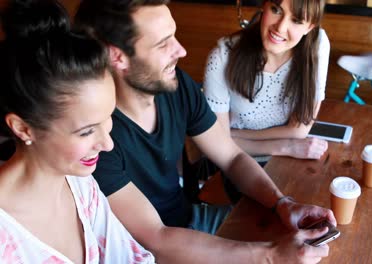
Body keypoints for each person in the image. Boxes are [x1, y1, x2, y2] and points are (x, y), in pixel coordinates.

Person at [75, 0, 336, 263]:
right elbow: (156, 239)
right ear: (116, 56)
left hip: (191, 220)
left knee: (308, 240)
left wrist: (283, 204)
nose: (181, 50)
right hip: (151, 253)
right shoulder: (97, 138)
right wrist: (271, 256)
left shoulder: (176, 84)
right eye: (164, 43)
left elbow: (231, 158)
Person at [0, 1, 154, 263]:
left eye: (107, 120)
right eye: (86, 132)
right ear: (23, 128)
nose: (108, 145)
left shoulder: (80, 185)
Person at [204, 0, 330, 161]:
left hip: (288, 157)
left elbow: (299, 130)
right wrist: (285, 146)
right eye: (276, 10)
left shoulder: (317, 44)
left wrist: (234, 136)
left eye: (296, 20)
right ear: (264, 6)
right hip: (234, 161)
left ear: (310, 27)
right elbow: (217, 143)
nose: (280, 27)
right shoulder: (223, 57)